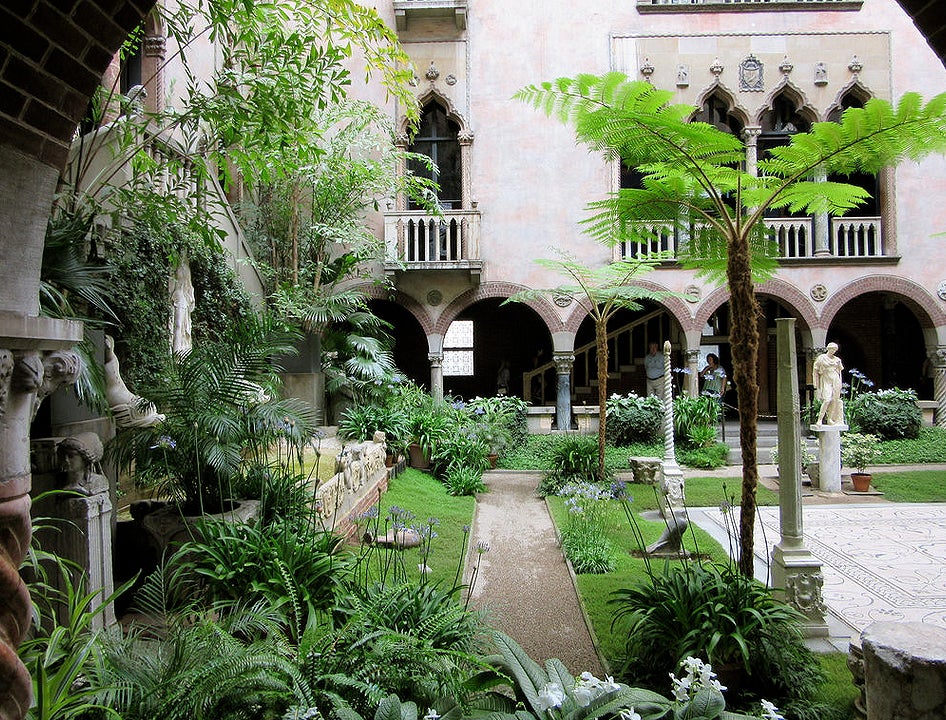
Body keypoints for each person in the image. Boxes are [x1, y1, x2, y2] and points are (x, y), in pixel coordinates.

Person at [813, 342, 844, 425]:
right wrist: (816, 382)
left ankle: (830, 418)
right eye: (832, 349)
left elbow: (840, 371)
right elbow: (815, 370)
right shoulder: (821, 358)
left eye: (835, 349)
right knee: (827, 400)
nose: (833, 351)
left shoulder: (837, 360)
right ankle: (820, 419)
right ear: (828, 348)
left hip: (835, 379)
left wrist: (840, 383)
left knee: (834, 400)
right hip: (826, 379)